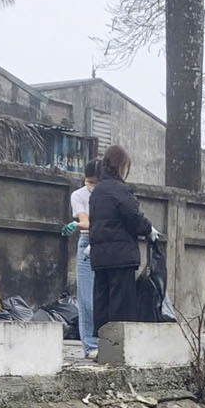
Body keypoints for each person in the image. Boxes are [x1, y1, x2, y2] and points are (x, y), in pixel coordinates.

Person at [88, 145, 156, 333]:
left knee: (102, 301)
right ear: (121, 166)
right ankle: (118, 346)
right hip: (120, 256)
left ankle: (102, 344)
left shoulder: (97, 191)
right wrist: (148, 228)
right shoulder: (120, 190)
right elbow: (132, 218)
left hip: (100, 256)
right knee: (121, 304)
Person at [64, 159, 102, 357]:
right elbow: (85, 220)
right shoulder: (78, 195)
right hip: (87, 242)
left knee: (103, 297)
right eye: (89, 182)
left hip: (105, 242)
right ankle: (90, 345)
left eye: (95, 182)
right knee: (86, 297)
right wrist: (78, 225)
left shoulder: (107, 194)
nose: (91, 186)